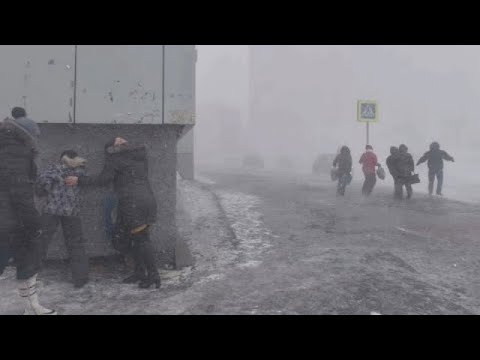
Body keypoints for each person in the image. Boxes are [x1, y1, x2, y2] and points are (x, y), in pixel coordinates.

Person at [65, 137, 161, 289]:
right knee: (136, 239)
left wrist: (79, 180)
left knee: (141, 239)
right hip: (146, 199)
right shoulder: (140, 156)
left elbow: (104, 179)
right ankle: (140, 271)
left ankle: (154, 275)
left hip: (132, 202)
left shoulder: (116, 159)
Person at [0, 107, 56, 315]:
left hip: (10, 221)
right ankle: (32, 307)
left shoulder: (6, 147)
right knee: (28, 261)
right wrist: (35, 224)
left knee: (26, 262)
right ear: (28, 136)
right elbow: (19, 192)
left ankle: (32, 307)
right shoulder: (17, 153)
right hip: (11, 223)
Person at [35, 150, 89, 288]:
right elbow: (86, 181)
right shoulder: (81, 172)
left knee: (41, 241)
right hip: (72, 211)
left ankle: (31, 274)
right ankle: (80, 278)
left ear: (62, 159)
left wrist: (50, 183)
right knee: (76, 244)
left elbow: (42, 185)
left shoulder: (55, 169)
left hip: (52, 210)